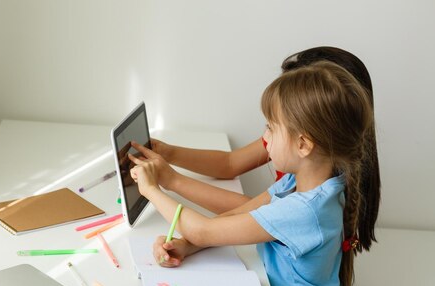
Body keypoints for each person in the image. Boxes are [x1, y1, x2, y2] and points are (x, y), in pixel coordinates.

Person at [128, 61, 380, 286]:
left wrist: (152, 189)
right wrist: (187, 244)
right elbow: (242, 217)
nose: (264, 137)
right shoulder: (302, 184)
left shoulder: (306, 211)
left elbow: (204, 227)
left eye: (271, 128)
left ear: (304, 144)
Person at [145, 46, 380, 221]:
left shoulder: (315, 183)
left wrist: (171, 181)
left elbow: (263, 213)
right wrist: (167, 153)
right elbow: (230, 164)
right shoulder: (298, 145)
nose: (268, 132)